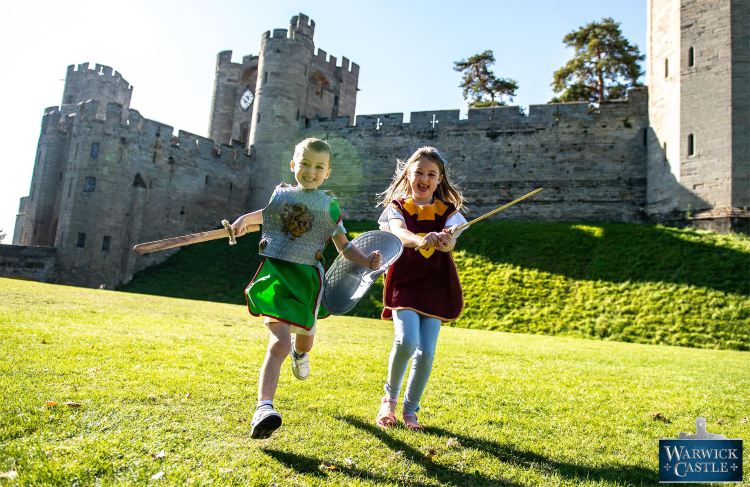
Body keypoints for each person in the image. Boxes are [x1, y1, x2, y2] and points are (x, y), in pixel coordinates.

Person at [231, 138, 382, 439]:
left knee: (303, 343)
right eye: (305, 164)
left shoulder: (329, 207)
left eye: (318, 167)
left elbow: (344, 246)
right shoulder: (281, 196)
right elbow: (262, 217)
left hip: (308, 284)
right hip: (277, 278)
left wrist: (367, 261)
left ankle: (300, 354)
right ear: (293, 165)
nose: (310, 172)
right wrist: (241, 222)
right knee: (278, 344)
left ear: (327, 173)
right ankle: (264, 408)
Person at [375, 146, 467, 431]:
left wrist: (445, 240)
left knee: (426, 352)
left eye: (431, 174)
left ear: (439, 180)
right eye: (419, 173)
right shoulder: (397, 207)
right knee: (406, 340)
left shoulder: (449, 212)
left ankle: (410, 411)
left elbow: (451, 243)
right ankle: (389, 401)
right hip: (404, 280)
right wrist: (420, 239)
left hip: (436, 285)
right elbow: (399, 233)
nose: (424, 179)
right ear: (408, 175)